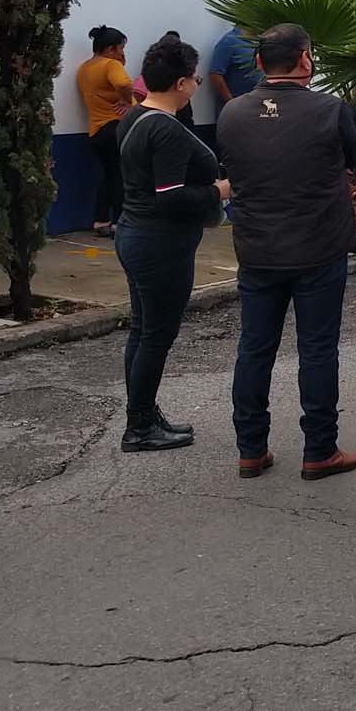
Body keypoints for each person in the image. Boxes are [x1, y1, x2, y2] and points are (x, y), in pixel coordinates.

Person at [217, 24, 356, 482]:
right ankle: (320, 449)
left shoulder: (232, 113)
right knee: (317, 349)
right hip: (319, 248)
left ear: (259, 63)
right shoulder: (330, 109)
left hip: (257, 249)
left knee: (254, 349)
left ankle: (250, 449)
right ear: (305, 60)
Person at [113, 34, 224, 453]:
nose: (197, 85)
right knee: (156, 335)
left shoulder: (135, 117)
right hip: (160, 243)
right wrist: (220, 191)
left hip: (136, 233)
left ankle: (142, 413)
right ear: (180, 83)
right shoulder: (166, 130)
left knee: (143, 331)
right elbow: (171, 194)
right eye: (194, 79)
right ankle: (139, 427)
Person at [76, 25, 135, 238]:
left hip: (96, 131)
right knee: (122, 175)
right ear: (111, 49)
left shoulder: (85, 68)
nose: (123, 53)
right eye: (121, 48)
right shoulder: (111, 64)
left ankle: (101, 220)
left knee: (109, 175)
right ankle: (121, 221)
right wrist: (129, 102)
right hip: (115, 127)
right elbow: (123, 83)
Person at [207, 24, 260, 116]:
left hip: (257, 108)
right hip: (236, 111)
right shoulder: (229, 41)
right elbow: (215, 74)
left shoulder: (260, 42)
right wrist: (231, 103)